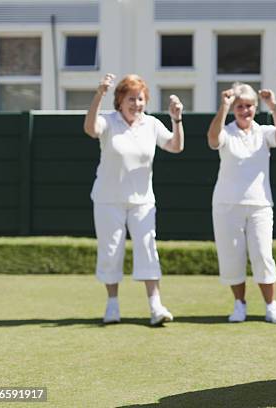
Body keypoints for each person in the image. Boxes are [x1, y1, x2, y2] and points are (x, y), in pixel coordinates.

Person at [83, 73, 185, 326]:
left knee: (148, 248)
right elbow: (90, 129)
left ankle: (155, 306)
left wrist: (177, 119)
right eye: (131, 99)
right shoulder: (108, 121)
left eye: (140, 99)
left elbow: (175, 146)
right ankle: (112, 306)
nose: (136, 104)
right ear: (120, 100)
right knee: (110, 252)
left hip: (142, 201)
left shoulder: (151, 124)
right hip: (108, 200)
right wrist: (99, 94)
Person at [207, 83, 276, 324]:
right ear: (234, 108)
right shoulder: (227, 131)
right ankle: (239, 305)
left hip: (260, 205)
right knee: (231, 257)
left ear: (255, 107)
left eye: (249, 106)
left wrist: (273, 105)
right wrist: (223, 107)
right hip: (226, 205)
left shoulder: (263, 132)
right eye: (240, 106)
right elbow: (213, 139)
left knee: (263, 255)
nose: (245, 110)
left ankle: (272, 306)